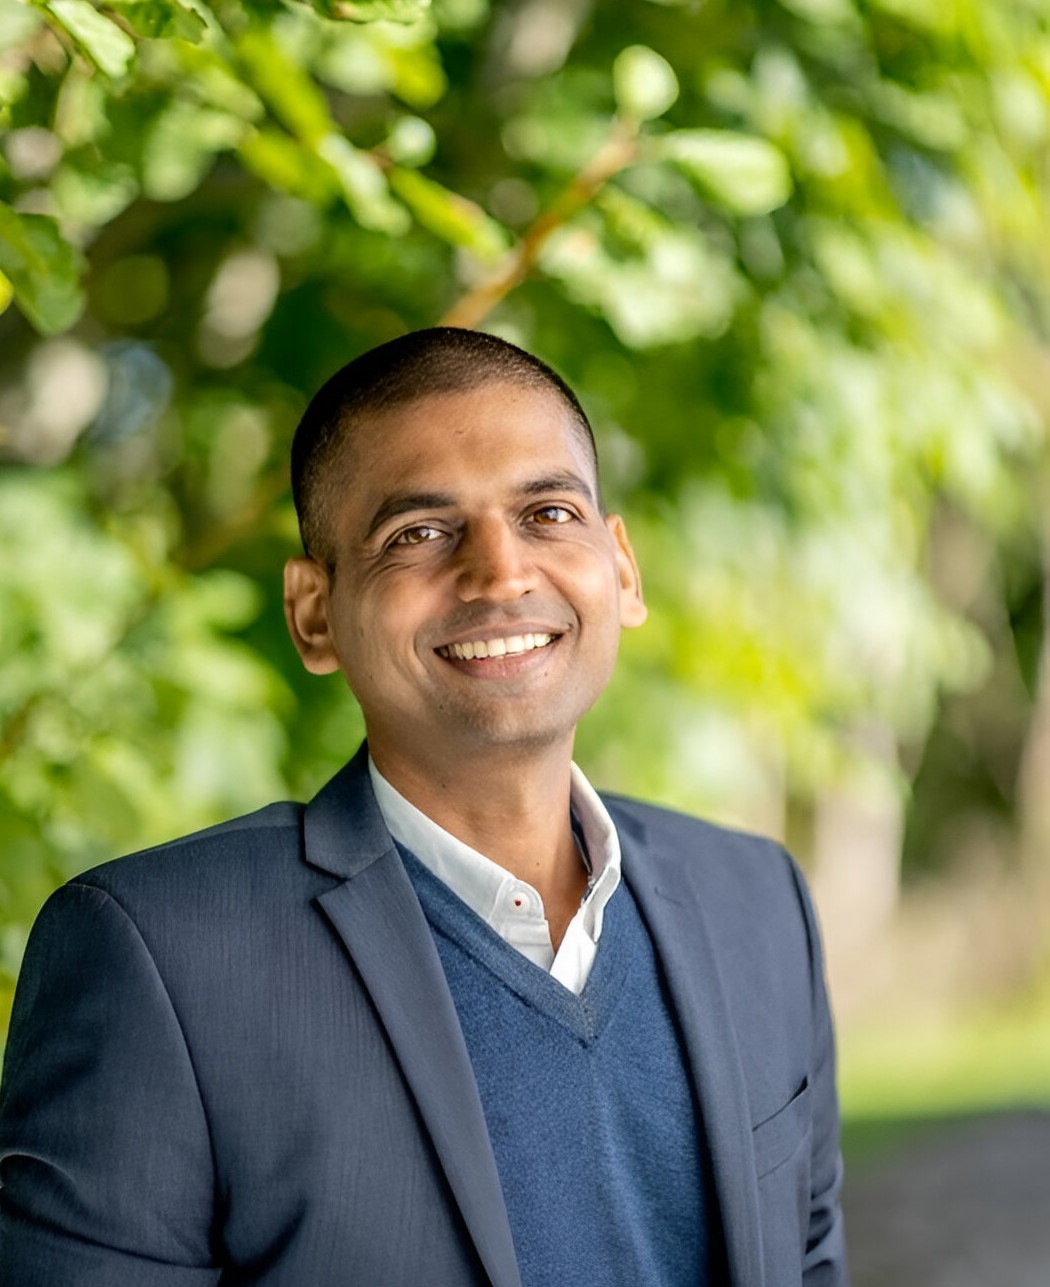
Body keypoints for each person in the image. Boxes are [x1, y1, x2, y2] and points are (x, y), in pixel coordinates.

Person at [0, 327, 847, 1286]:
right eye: (419, 534)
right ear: (314, 612)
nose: (500, 572)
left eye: (548, 512)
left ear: (622, 568)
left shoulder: (759, 901)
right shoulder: (158, 957)